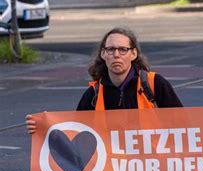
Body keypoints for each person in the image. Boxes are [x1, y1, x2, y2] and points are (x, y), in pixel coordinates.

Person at [26, 27, 183, 133]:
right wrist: (46, 126)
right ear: (103, 54)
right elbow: (76, 131)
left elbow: (184, 125)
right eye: (110, 49)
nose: (116, 54)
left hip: (150, 169)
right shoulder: (93, 95)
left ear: (133, 54)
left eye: (123, 49)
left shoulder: (154, 84)